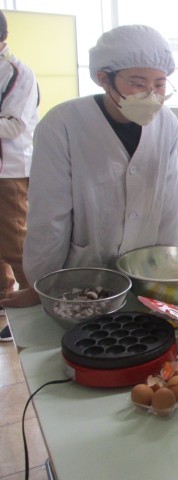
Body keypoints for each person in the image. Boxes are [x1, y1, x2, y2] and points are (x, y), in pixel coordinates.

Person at [0, 25, 178, 310]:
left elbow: (169, 205)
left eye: (159, 84)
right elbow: (49, 217)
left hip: (143, 272)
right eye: (137, 83)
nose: (151, 94)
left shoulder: (167, 123)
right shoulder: (62, 124)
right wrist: (42, 285)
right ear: (104, 78)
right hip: (79, 276)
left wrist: (170, 269)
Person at [0, 10, 39, 341]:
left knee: (14, 242)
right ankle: (5, 299)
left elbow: (14, 125)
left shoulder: (16, 72)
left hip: (9, 171)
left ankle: (34, 304)